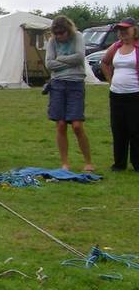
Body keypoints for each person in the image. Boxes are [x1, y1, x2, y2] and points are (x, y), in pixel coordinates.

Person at [45, 15, 94, 172]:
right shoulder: (52, 41)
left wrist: (60, 59)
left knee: (77, 126)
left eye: (62, 33)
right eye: (56, 33)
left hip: (75, 83)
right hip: (58, 84)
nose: (59, 36)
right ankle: (65, 163)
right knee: (60, 125)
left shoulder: (78, 37)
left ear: (69, 30)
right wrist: (67, 61)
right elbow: (49, 64)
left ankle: (88, 162)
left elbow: (80, 57)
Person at [100, 17, 139, 171]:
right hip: (116, 95)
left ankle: (137, 163)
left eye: (126, 29)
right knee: (118, 129)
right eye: (120, 30)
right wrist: (111, 80)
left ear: (134, 30)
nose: (122, 33)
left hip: (135, 94)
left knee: (135, 130)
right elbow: (104, 62)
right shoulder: (116, 47)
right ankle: (119, 163)